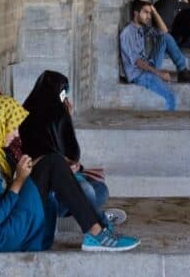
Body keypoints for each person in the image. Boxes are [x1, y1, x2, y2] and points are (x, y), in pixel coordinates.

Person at [0, 94, 138, 252]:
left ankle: (98, 227)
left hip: (8, 226)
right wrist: (19, 181)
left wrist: (32, 168)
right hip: (1, 236)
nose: (15, 134)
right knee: (53, 163)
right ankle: (96, 232)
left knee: (54, 162)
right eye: (11, 126)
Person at [19, 71, 128, 232]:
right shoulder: (28, 118)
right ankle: (100, 222)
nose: (63, 99)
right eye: (62, 94)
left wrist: (67, 119)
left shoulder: (56, 114)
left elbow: (70, 154)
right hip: (47, 187)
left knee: (102, 190)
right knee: (87, 190)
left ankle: (86, 215)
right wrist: (63, 167)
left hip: (61, 177)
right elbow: (43, 162)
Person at [119, 0, 190, 111]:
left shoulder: (141, 28)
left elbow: (164, 31)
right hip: (139, 74)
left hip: (148, 66)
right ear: (136, 13)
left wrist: (154, 10)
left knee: (165, 38)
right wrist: (159, 73)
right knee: (171, 97)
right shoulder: (127, 33)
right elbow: (137, 62)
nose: (148, 16)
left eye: (149, 13)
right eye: (145, 12)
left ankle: (182, 70)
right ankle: (169, 123)